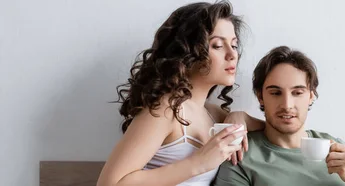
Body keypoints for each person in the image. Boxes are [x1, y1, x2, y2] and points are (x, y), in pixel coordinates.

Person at [97, 1, 265, 186]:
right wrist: (198, 163)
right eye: (217, 45)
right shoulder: (166, 109)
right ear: (188, 52)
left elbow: (270, 129)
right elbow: (109, 183)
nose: (232, 54)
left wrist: (239, 116)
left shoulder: (212, 114)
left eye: (234, 45)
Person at [212, 46, 345, 186]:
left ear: (311, 96)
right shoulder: (241, 157)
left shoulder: (342, 154)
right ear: (260, 96)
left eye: (297, 93)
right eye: (276, 93)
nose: (287, 105)